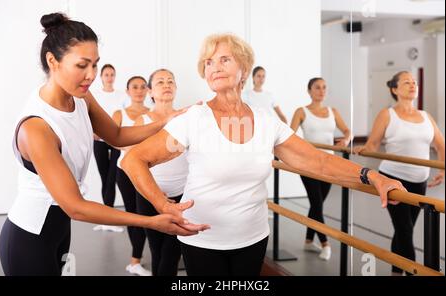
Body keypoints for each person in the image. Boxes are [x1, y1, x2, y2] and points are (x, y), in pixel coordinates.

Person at [121, 33, 406, 276]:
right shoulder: (193, 118)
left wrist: (371, 176)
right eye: (209, 62)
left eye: (224, 59)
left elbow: (316, 160)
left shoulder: (266, 120)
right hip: (203, 240)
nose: (214, 67)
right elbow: (135, 159)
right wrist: (162, 204)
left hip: (253, 238)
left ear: (244, 69)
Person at [0, 12, 207, 276]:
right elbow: (75, 206)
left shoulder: (81, 99)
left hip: (59, 228)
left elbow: (117, 136)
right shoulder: (37, 127)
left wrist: (165, 119)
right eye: (82, 65)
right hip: (29, 235)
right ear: (53, 61)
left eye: (95, 65)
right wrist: (152, 222)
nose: (91, 75)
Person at [354, 71, 445, 275]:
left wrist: (442, 169)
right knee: (405, 230)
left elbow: (440, 145)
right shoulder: (387, 114)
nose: (413, 85)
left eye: (414, 82)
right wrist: (363, 147)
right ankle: (413, 271)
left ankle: (396, 272)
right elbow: (373, 143)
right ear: (394, 89)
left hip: (420, 181)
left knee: (404, 229)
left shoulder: (425, 116)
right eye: (406, 82)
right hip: (393, 179)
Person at [134, 69, 189, 276]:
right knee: (157, 251)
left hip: (181, 195)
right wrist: (154, 193)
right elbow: (134, 163)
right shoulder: (142, 121)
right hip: (149, 195)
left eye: (170, 81)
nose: (166, 85)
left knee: (172, 253)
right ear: (150, 91)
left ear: (175, 88)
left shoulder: (187, 118)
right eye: (160, 82)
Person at [290, 77, 351, 261]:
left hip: (328, 164)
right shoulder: (301, 111)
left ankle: (308, 240)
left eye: (324, 87)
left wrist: (346, 140)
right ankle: (325, 243)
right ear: (309, 91)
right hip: (308, 164)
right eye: (317, 87)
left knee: (317, 205)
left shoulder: (333, 111)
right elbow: (289, 136)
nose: (321, 90)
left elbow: (347, 131)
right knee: (317, 204)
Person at [112, 76, 151, 276]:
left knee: (145, 214)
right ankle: (135, 261)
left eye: (143, 87)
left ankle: (137, 259)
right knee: (132, 214)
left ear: (148, 90)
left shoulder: (152, 114)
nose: (139, 90)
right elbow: (113, 140)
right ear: (127, 91)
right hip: (125, 170)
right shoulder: (120, 114)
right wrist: (135, 148)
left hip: (146, 170)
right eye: (134, 87)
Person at [92, 64, 127, 232]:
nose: (109, 77)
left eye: (112, 74)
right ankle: (106, 218)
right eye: (106, 74)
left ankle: (109, 219)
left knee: (112, 177)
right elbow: (89, 114)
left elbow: (124, 116)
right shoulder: (95, 94)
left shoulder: (122, 96)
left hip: (115, 139)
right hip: (98, 139)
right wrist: (93, 131)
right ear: (101, 76)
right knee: (104, 177)